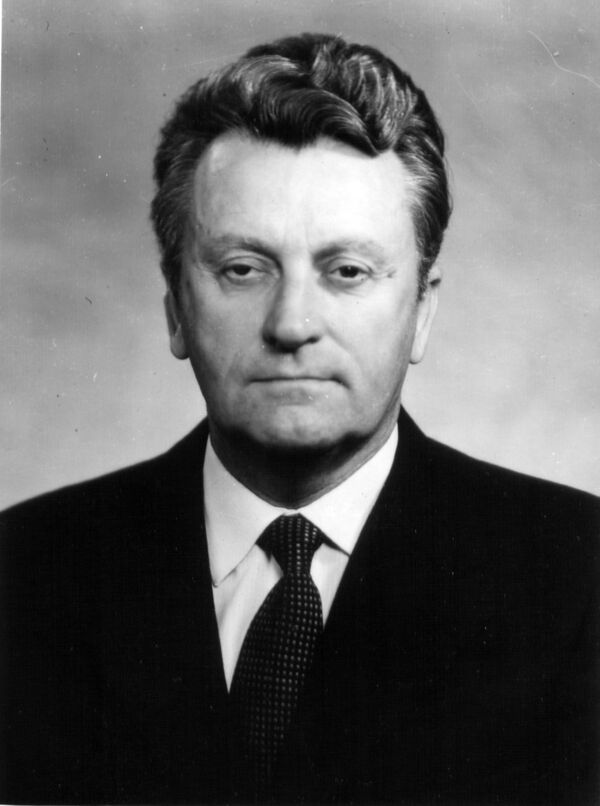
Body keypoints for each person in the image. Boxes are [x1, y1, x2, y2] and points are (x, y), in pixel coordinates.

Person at [1, 32, 598, 805]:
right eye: (243, 269)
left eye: (346, 271)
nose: (291, 324)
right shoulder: (24, 576)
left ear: (422, 311)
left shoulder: (578, 580)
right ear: (176, 308)